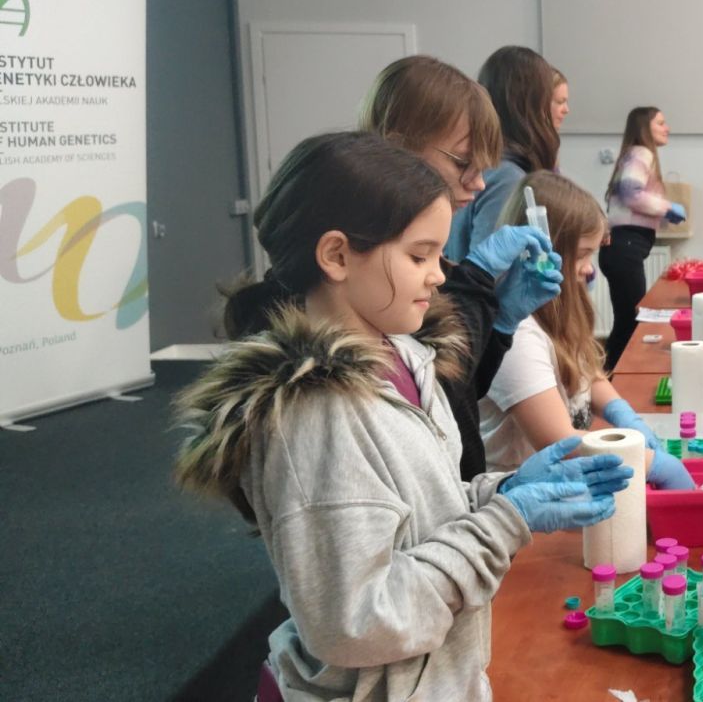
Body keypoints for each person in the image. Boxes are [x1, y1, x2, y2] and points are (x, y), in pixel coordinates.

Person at [172, 132, 631, 701]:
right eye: (420, 256)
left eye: (438, 255)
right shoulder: (317, 416)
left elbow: (421, 514)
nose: (439, 275)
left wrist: (501, 491)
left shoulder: (407, 357)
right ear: (337, 256)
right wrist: (506, 521)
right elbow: (358, 624)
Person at [361, 54, 563, 480]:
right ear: (397, 147)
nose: (478, 183)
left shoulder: (417, 278)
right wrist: (477, 280)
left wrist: (500, 323)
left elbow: (454, 393)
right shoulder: (369, 281)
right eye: (460, 162)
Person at [481, 172, 695, 489]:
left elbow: (585, 374)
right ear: (541, 252)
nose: (589, 268)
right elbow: (561, 442)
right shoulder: (519, 335)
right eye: (581, 255)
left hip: (564, 480)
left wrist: (623, 414)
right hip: (523, 493)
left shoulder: (558, 310)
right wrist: (648, 462)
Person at [445, 45, 559, 262]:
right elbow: (488, 271)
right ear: (535, 103)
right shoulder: (506, 177)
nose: (564, 109)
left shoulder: (494, 167)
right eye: (555, 100)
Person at [599, 106, 686, 370]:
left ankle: (609, 376)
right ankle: (612, 378)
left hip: (621, 248)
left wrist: (663, 213)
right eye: (660, 123)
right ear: (644, 127)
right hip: (624, 247)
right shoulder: (641, 153)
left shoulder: (633, 154)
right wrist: (666, 207)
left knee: (625, 321)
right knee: (630, 323)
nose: (666, 128)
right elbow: (630, 191)